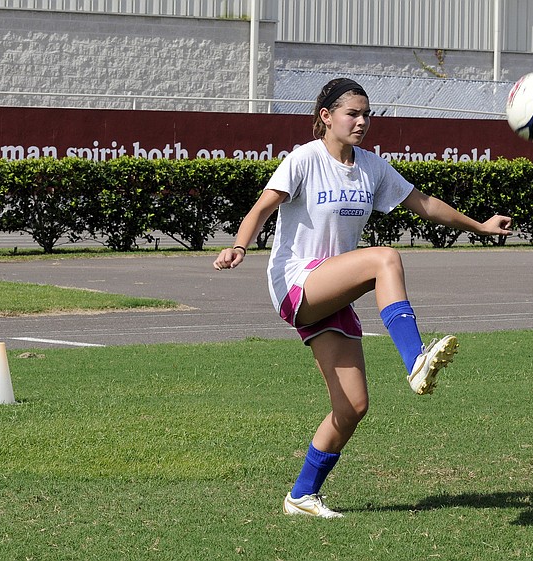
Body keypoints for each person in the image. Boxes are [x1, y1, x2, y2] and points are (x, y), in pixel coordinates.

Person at [213, 77, 512, 519]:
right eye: (352, 113)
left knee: (352, 406)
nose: (361, 121)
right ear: (326, 116)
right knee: (384, 259)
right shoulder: (304, 160)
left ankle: (301, 496)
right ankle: (415, 358)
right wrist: (239, 245)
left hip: (334, 291)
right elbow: (261, 209)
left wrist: (480, 227)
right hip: (296, 282)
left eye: (367, 114)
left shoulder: (372, 166)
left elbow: (425, 203)